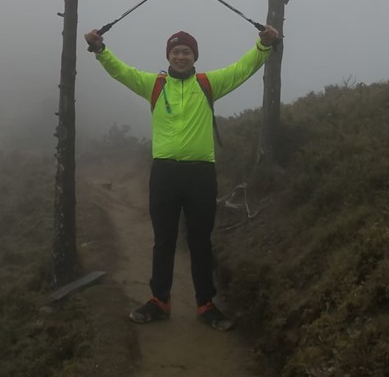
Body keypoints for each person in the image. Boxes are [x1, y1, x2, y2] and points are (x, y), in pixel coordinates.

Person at [83, 25, 279, 331]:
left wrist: (264, 46)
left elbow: (243, 68)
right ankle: (159, 301)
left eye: (186, 52)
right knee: (164, 240)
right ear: (168, 56)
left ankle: (206, 303)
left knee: (201, 241)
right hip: (164, 173)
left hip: (200, 174)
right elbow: (121, 72)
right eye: (176, 52)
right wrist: (99, 49)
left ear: (194, 56)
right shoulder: (155, 85)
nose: (181, 56)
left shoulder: (208, 83)